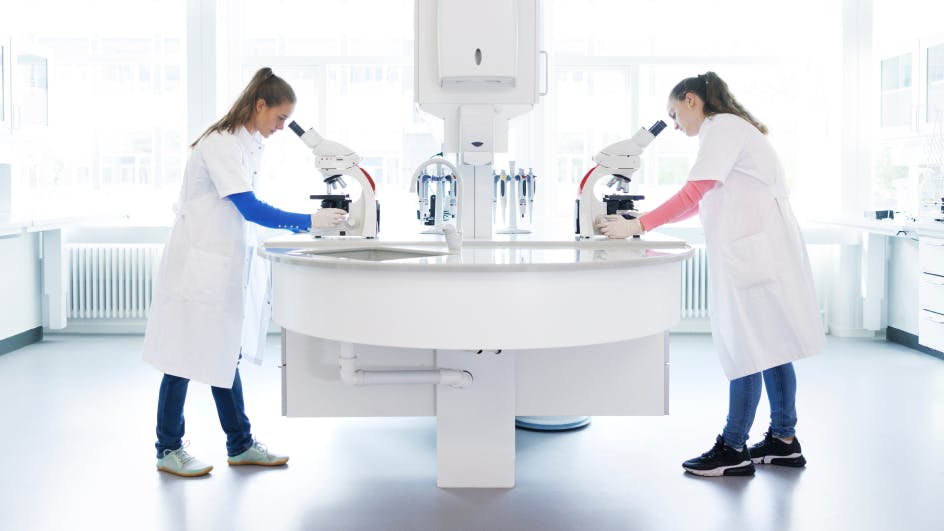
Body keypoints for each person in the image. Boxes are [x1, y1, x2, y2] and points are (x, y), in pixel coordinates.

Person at [596, 71, 825, 477]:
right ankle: (784, 441)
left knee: (748, 349)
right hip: (762, 253)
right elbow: (698, 199)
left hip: (755, 255)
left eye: (674, 113)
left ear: (691, 100)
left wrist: (637, 227)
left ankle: (733, 447)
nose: (676, 124)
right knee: (773, 347)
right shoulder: (729, 130)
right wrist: (644, 220)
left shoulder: (722, 128)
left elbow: (691, 192)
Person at [143, 67, 348, 477]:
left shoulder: (247, 144)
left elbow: (250, 210)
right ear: (260, 105)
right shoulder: (220, 144)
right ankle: (168, 448)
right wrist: (312, 220)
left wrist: (305, 225)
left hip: (219, 264)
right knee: (182, 357)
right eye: (279, 118)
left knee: (223, 353)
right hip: (196, 266)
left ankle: (239, 444)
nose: (281, 127)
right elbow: (251, 208)